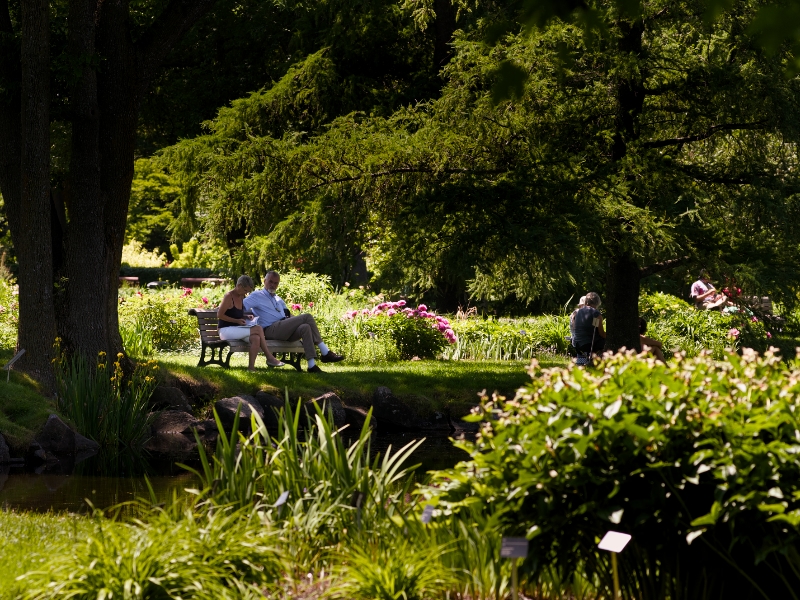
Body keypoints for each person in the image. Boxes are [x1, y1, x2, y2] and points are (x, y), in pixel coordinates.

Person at [244, 270, 345, 373]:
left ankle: (311, 366)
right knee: (307, 316)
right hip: (271, 330)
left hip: (284, 328)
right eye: (270, 282)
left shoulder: (278, 299)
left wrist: (296, 321)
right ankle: (325, 353)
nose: (273, 285)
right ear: (264, 281)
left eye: (276, 283)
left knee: (305, 327)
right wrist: (247, 316)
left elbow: (289, 315)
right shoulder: (257, 295)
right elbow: (241, 307)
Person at [217, 275, 286, 371]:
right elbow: (220, 315)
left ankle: (251, 368)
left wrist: (245, 316)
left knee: (256, 338)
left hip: (236, 330)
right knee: (258, 328)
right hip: (225, 331)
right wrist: (237, 321)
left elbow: (234, 313)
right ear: (239, 285)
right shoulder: (229, 296)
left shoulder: (241, 296)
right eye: (245, 290)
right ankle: (270, 357)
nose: (246, 293)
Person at [571, 292, 605, 356]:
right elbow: (601, 333)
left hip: (577, 344)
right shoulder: (596, 314)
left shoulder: (578, 312)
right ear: (597, 302)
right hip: (588, 345)